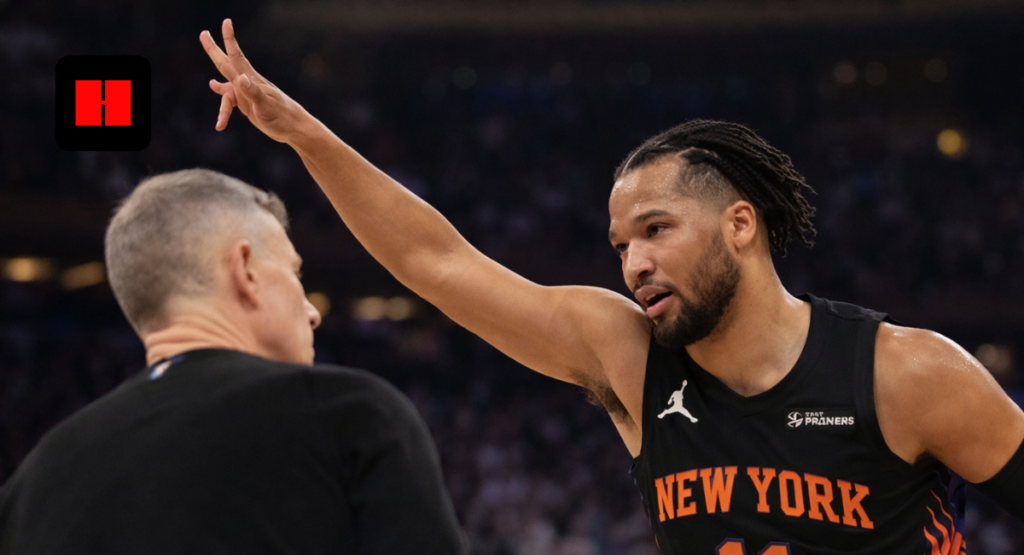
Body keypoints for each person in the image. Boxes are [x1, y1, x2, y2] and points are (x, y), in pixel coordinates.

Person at [199, 19, 1024, 553]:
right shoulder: (627, 356)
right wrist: (302, 133)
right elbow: (436, 263)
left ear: (741, 226)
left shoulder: (906, 373)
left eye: (656, 230)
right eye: (620, 244)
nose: (632, 263)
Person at [0, 169, 466, 555]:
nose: (313, 311)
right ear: (245, 269)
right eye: (294, 273)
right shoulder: (350, 417)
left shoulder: (32, 483)